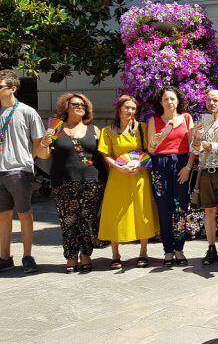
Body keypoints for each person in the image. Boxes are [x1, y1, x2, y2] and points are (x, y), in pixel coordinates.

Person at [37, 92, 105, 273]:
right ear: (66, 107)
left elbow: (103, 157)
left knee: (87, 220)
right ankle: (71, 256)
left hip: (92, 182)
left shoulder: (95, 130)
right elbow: (43, 155)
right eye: (75, 104)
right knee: (68, 221)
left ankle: (85, 255)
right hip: (64, 182)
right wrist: (44, 143)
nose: (80, 107)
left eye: (83, 104)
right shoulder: (56, 129)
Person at [98, 95, 159, 269]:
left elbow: (148, 151)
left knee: (142, 211)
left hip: (139, 176)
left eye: (133, 108)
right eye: (127, 108)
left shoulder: (142, 128)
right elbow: (106, 155)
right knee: (116, 213)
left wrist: (142, 164)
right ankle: (115, 254)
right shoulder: (107, 131)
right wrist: (118, 167)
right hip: (118, 176)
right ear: (119, 109)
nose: (130, 111)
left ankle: (143, 252)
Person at [0, 70, 46, 273]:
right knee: (3, 216)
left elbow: (38, 143)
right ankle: (4, 257)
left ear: (12, 88)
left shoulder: (27, 112)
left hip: (19, 170)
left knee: (24, 214)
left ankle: (27, 256)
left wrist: (27, 161)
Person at [147, 86, 196, 267]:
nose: (170, 102)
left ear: (178, 101)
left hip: (181, 164)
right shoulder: (154, 121)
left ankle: (179, 249)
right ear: (160, 102)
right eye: (166, 99)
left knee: (181, 207)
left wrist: (188, 167)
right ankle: (168, 250)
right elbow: (150, 149)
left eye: (172, 99)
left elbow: (194, 146)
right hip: (160, 165)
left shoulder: (186, 118)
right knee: (164, 208)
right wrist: (157, 140)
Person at [191, 90, 218, 265]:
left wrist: (210, 145)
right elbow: (195, 150)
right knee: (208, 211)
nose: (211, 103)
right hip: (205, 171)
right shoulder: (200, 123)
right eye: (209, 99)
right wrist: (196, 137)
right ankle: (211, 248)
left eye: (215, 100)